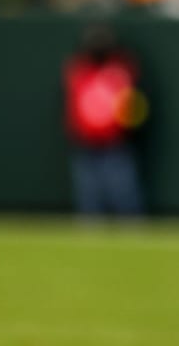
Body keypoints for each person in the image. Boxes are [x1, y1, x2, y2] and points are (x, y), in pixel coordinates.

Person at [63, 23, 148, 218]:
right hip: (86, 142)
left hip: (115, 142)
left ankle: (132, 230)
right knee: (88, 196)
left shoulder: (122, 69)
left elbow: (134, 102)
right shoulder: (78, 69)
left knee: (123, 192)